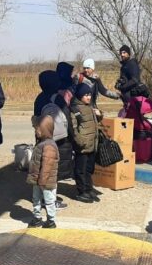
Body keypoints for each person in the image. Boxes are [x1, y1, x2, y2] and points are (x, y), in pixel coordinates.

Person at [32, 70, 70, 209]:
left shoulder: (39, 98)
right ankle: (50, 201)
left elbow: (36, 117)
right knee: (53, 169)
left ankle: (42, 197)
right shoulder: (57, 98)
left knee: (43, 166)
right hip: (57, 139)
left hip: (42, 137)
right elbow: (66, 117)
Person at [70, 83, 102, 203]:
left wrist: (100, 114)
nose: (88, 97)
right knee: (80, 170)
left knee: (89, 169)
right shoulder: (75, 109)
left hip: (92, 144)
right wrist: (80, 141)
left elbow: (94, 121)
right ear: (79, 95)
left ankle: (89, 189)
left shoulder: (90, 106)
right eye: (86, 95)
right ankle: (81, 191)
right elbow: (73, 128)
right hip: (83, 146)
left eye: (89, 95)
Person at [27, 115, 59, 229]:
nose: (36, 132)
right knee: (36, 198)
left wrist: (43, 180)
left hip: (46, 180)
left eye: (38, 130)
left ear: (45, 130)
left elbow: (47, 165)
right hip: (38, 179)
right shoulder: (41, 143)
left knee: (49, 200)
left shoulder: (49, 145)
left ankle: (51, 220)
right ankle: (37, 217)